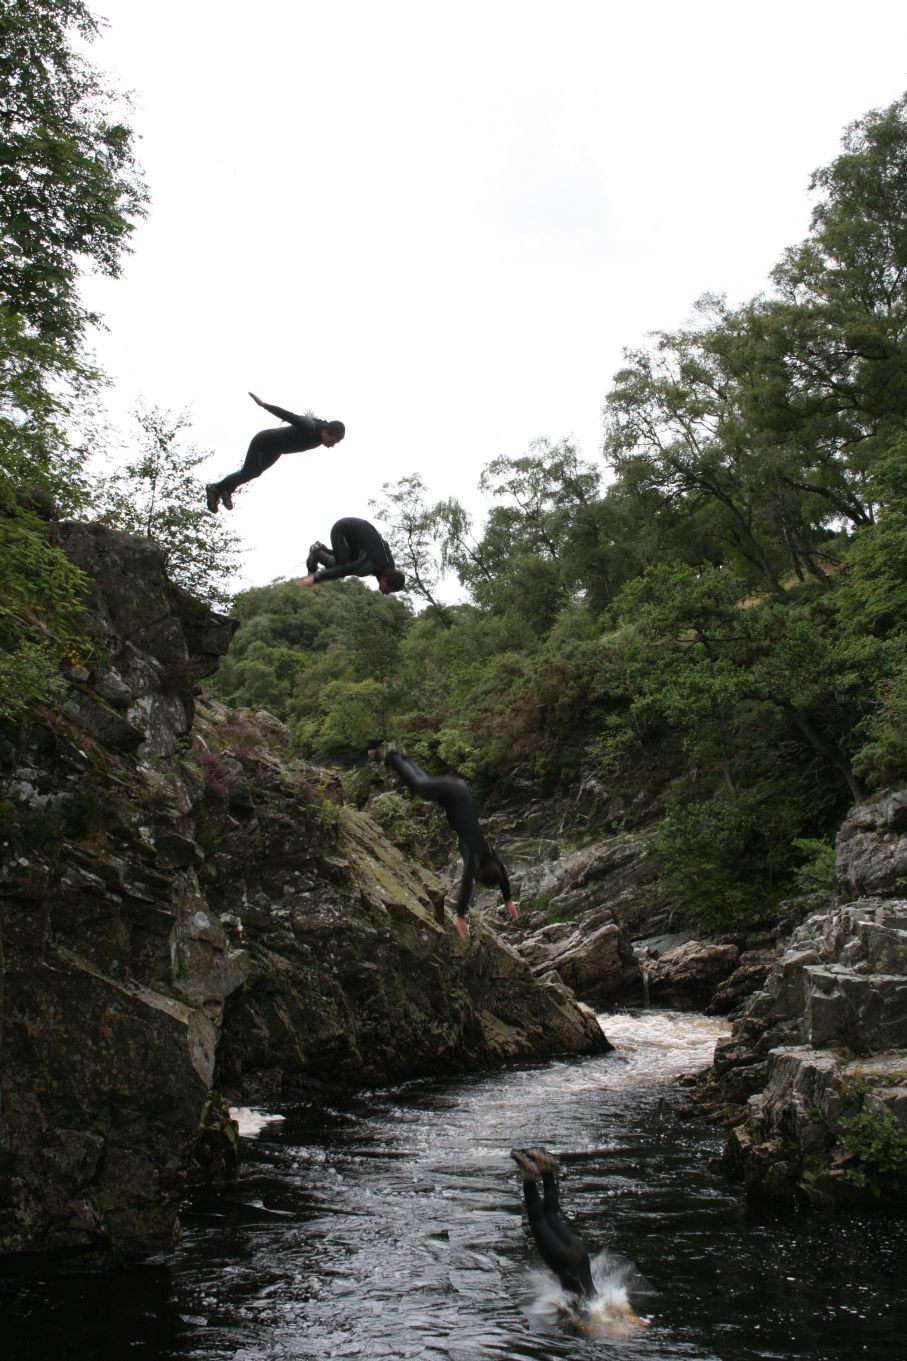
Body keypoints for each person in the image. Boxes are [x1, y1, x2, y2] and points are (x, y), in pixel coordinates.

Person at [382, 746, 518, 939]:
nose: (474, 879)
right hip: (454, 793)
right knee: (417, 785)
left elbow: (502, 873)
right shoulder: (476, 855)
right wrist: (460, 917)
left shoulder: (490, 855)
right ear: (479, 874)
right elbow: (466, 886)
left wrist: (508, 900)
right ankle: (392, 754)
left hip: (457, 794)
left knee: (424, 785)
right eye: (477, 878)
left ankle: (405, 758)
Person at [205, 392, 345, 512]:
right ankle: (215, 488)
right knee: (249, 471)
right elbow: (288, 415)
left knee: (255, 473)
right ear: (326, 432)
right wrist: (264, 405)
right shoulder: (308, 426)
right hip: (264, 442)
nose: (332, 446)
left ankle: (226, 490)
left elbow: (320, 421)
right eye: (332, 441)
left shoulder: (322, 427)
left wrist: (312, 417)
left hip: (277, 449)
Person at [511, 1148, 595, 1300]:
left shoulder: (602, 1300)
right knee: (538, 1222)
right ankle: (528, 1175)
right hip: (565, 1261)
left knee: (551, 1216)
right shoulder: (588, 1310)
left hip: (581, 1254)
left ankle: (546, 1169)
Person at [296, 517, 406, 595]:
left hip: (358, 538)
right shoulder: (370, 565)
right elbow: (343, 570)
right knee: (342, 566)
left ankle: (321, 549)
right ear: (385, 579)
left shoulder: (389, 566)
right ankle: (317, 552)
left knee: (352, 562)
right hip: (343, 529)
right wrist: (315, 579)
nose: (387, 594)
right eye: (389, 590)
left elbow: (384, 545)